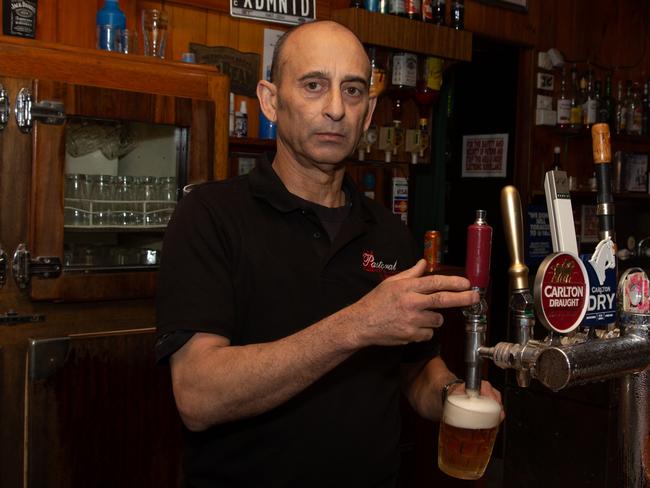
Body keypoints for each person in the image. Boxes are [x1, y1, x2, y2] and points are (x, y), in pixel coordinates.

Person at [156, 20, 502, 487]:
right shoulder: (210, 216)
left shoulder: (390, 234)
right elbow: (197, 396)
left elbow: (415, 368)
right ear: (271, 99)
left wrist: (453, 394)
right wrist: (358, 324)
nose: (336, 109)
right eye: (314, 86)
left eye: (353, 90)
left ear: (369, 111)